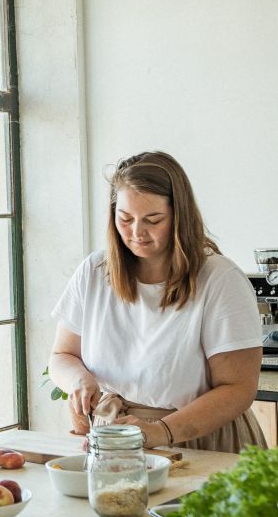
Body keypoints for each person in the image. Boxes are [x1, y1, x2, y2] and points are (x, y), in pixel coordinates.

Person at [46, 151, 265, 453]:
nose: (137, 233)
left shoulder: (220, 279)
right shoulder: (94, 272)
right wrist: (79, 380)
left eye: (153, 220)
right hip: (117, 439)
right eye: (125, 219)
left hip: (199, 440)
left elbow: (238, 390)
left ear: (179, 216)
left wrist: (159, 432)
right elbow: (61, 355)